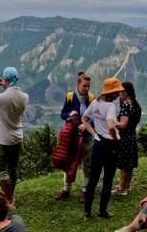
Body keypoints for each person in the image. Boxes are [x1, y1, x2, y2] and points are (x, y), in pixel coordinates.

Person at [0, 66, 29, 204]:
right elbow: (10, 110)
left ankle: (8, 198)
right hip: (17, 137)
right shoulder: (24, 97)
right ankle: (11, 196)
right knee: (12, 168)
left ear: (4, 80)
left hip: (2, 139)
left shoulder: (0, 97)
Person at [82, 77, 123, 219]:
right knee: (108, 179)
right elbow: (111, 126)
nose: (118, 95)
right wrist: (115, 137)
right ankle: (102, 211)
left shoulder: (95, 103)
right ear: (110, 93)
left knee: (93, 178)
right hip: (110, 145)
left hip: (98, 143)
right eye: (116, 92)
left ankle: (87, 211)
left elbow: (84, 119)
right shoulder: (110, 106)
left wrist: (94, 133)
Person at [56, 72, 94, 201]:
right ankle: (66, 189)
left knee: (87, 163)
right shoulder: (70, 97)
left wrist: (87, 124)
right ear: (78, 84)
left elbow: (94, 117)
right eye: (84, 86)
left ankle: (85, 191)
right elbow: (63, 114)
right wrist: (69, 115)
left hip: (87, 135)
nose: (87, 89)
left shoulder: (91, 98)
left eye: (88, 86)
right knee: (69, 161)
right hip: (72, 136)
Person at [114, 81, 142, 195]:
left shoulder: (126, 105)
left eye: (121, 91)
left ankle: (121, 187)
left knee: (124, 164)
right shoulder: (136, 104)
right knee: (129, 163)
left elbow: (123, 124)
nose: (119, 94)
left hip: (124, 136)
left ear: (125, 92)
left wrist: (112, 122)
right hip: (132, 135)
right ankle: (127, 186)